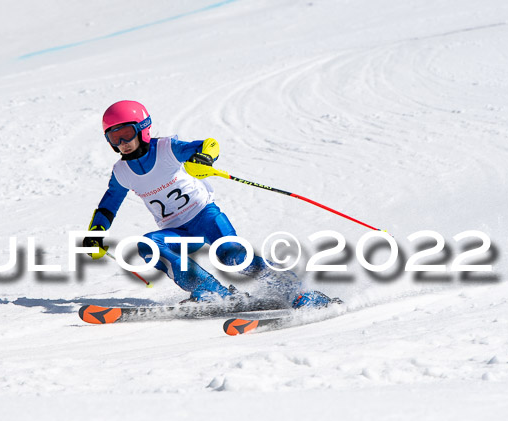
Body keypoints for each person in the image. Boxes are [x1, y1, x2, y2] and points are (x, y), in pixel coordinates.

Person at [82, 100, 334, 308]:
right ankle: (213, 293)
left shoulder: (167, 148)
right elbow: (109, 204)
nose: (122, 142)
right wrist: (96, 232)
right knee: (149, 245)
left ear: (143, 129)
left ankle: (297, 290)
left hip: (205, 216)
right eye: (114, 137)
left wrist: (203, 157)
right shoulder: (122, 171)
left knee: (233, 257)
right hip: (177, 230)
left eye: (126, 133)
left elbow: (208, 145)